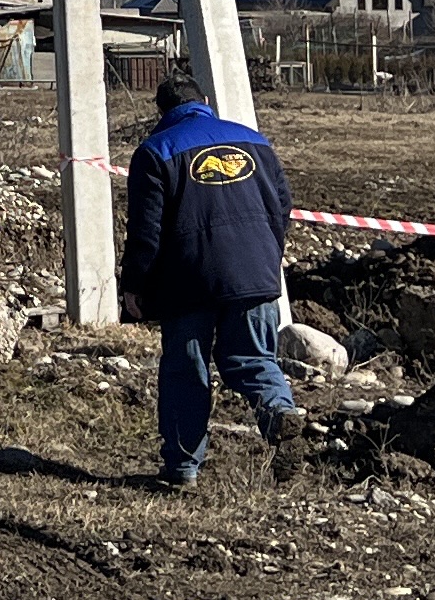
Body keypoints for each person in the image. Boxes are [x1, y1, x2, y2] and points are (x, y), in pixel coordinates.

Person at [118, 63, 300, 486]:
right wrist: (267, 257)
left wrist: (134, 286)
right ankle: (280, 414)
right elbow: (282, 207)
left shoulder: (155, 151)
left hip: (187, 281)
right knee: (255, 359)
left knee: (186, 369)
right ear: (205, 103)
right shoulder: (255, 141)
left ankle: (182, 468)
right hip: (255, 273)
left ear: (162, 111)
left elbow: (145, 231)